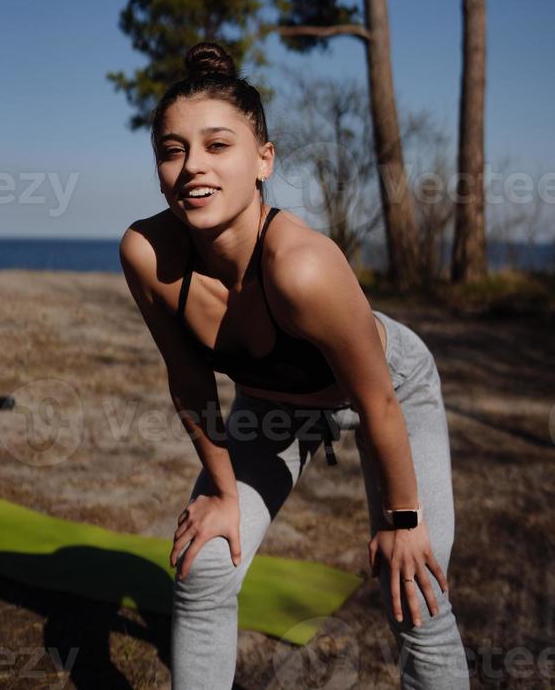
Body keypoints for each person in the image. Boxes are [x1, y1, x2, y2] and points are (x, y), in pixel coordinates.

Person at [119, 41, 470, 690]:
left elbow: (379, 406)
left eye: (217, 145)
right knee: (204, 566)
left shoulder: (301, 266)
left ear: (263, 160)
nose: (193, 165)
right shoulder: (149, 255)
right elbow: (189, 380)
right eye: (173, 150)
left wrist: (402, 521)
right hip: (271, 408)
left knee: (413, 590)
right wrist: (223, 493)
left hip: (387, 395)